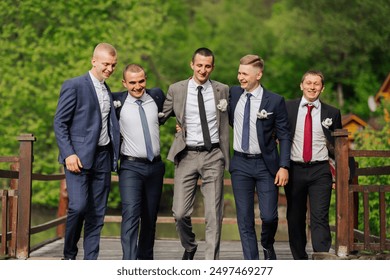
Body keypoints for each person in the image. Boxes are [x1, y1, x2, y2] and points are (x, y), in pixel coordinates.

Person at [160, 47, 230, 260]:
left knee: (213, 214)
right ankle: (190, 245)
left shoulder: (223, 90)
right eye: (199, 65)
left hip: (213, 155)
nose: (203, 70)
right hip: (186, 154)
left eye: (207, 66)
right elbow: (161, 115)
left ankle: (211, 265)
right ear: (192, 65)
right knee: (179, 213)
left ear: (212, 67)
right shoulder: (177, 89)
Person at [53, 43, 120, 260]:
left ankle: (90, 261)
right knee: (79, 207)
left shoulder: (107, 89)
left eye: (113, 65)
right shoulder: (74, 85)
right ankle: (69, 255)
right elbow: (60, 122)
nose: (110, 69)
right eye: (106, 64)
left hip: (103, 157)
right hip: (78, 159)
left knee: (97, 213)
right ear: (94, 61)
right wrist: (68, 153)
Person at [228, 54, 291, 260]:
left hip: (266, 165)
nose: (240, 77)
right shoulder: (234, 94)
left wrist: (284, 166)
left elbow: (284, 134)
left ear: (258, 74)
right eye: (239, 72)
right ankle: (252, 264)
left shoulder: (274, 101)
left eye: (245, 74)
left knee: (269, 216)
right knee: (244, 218)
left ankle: (267, 243)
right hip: (240, 164)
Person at [285, 70, 342, 260]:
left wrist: (338, 174)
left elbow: (338, 147)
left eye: (316, 84)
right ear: (301, 85)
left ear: (322, 88)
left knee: (319, 216)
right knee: (295, 217)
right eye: (308, 83)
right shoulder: (288, 108)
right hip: (295, 169)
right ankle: (299, 258)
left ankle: (321, 257)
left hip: (320, 170)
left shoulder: (332, 113)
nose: (312, 87)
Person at [112, 64, 165, 260]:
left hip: (156, 167)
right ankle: (129, 263)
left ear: (146, 79)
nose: (137, 86)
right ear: (124, 83)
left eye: (141, 81)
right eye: (132, 82)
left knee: (150, 218)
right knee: (131, 214)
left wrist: (180, 126)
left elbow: (177, 113)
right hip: (130, 167)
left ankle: (145, 263)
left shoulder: (156, 97)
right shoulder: (117, 101)